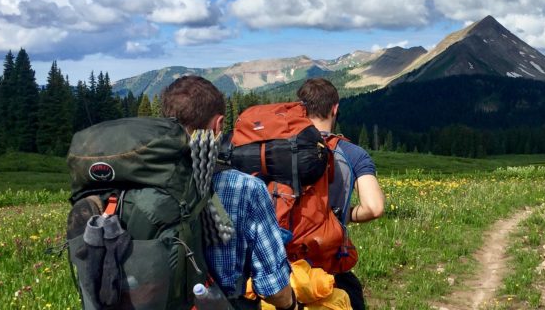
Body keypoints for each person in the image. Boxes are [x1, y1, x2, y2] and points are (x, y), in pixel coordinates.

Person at [160, 76, 299, 310]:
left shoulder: (138, 181)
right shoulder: (246, 188)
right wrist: (292, 305)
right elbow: (273, 288)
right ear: (219, 124)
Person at [296, 78, 386, 310]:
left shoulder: (275, 150)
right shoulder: (352, 153)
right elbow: (374, 207)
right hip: (330, 266)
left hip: (285, 268)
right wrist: (346, 216)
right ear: (335, 108)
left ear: (300, 109)